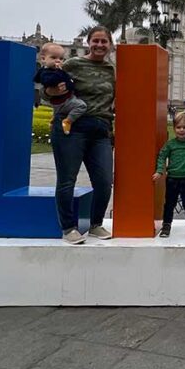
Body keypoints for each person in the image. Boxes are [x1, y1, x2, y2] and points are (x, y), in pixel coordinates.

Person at [44, 26, 115, 244]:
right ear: (88, 42)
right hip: (71, 128)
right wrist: (53, 91)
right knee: (67, 180)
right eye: (96, 41)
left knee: (104, 181)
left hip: (101, 130)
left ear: (110, 44)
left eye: (104, 41)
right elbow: (48, 89)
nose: (100, 45)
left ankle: (95, 224)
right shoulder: (73, 64)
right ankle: (68, 228)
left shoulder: (113, 69)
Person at [152, 112, 185, 238]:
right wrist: (159, 171)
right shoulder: (170, 144)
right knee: (169, 204)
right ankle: (166, 226)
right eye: (178, 127)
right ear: (174, 128)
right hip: (172, 179)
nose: (181, 130)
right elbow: (162, 156)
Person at [33, 43, 87, 135]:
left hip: (64, 100)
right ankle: (68, 121)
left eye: (61, 59)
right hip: (65, 101)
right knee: (81, 106)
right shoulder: (50, 72)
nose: (58, 61)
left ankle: (53, 120)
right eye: (54, 58)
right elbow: (47, 85)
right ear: (43, 59)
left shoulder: (53, 71)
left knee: (58, 110)